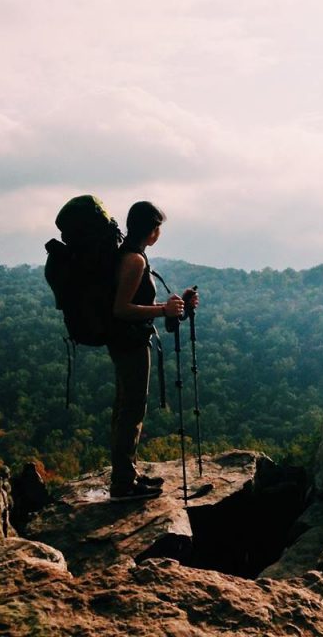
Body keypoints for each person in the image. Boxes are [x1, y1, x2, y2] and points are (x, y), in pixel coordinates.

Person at [108, 201, 198, 501]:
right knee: (132, 409)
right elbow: (121, 309)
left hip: (125, 341)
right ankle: (123, 483)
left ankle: (127, 473)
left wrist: (173, 307)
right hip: (130, 342)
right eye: (158, 228)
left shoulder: (129, 254)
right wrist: (163, 310)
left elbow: (132, 305)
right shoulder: (134, 260)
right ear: (152, 231)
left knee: (125, 407)